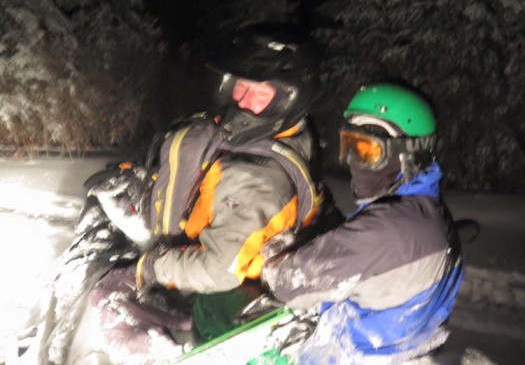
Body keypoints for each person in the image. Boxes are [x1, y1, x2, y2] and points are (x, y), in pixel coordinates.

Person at [64, 23, 342, 364]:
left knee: (105, 296)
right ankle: (176, 321)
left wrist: (150, 267)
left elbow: (217, 270)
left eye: (259, 93)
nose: (242, 100)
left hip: (223, 289)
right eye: (241, 87)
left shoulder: (259, 179)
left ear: (289, 97)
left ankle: (157, 357)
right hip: (225, 261)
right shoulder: (285, 136)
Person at [262, 83, 465, 364]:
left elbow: (287, 282)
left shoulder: (386, 231)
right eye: (350, 146)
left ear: (408, 154)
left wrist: (276, 248)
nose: (352, 163)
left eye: (367, 151)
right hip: (406, 345)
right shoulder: (426, 210)